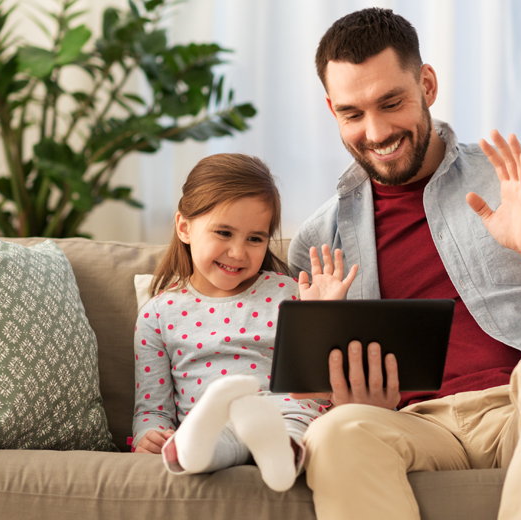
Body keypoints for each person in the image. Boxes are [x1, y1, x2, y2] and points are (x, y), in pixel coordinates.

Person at [287, 8, 521, 520]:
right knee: (333, 433)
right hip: (416, 429)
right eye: (352, 114)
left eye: (391, 102)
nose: (375, 132)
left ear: (427, 84)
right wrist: (348, 399)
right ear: (332, 109)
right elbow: (307, 398)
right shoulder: (319, 241)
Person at [131, 153, 357, 492]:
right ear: (184, 227)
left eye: (255, 238)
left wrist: (320, 317)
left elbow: (321, 392)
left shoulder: (290, 293)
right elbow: (151, 407)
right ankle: (195, 449)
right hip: (211, 421)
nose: (238, 253)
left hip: (286, 412)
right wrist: (147, 434)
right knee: (213, 444)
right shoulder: (157, 314)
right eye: (224, 233)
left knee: (296, 424)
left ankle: (282, 457)